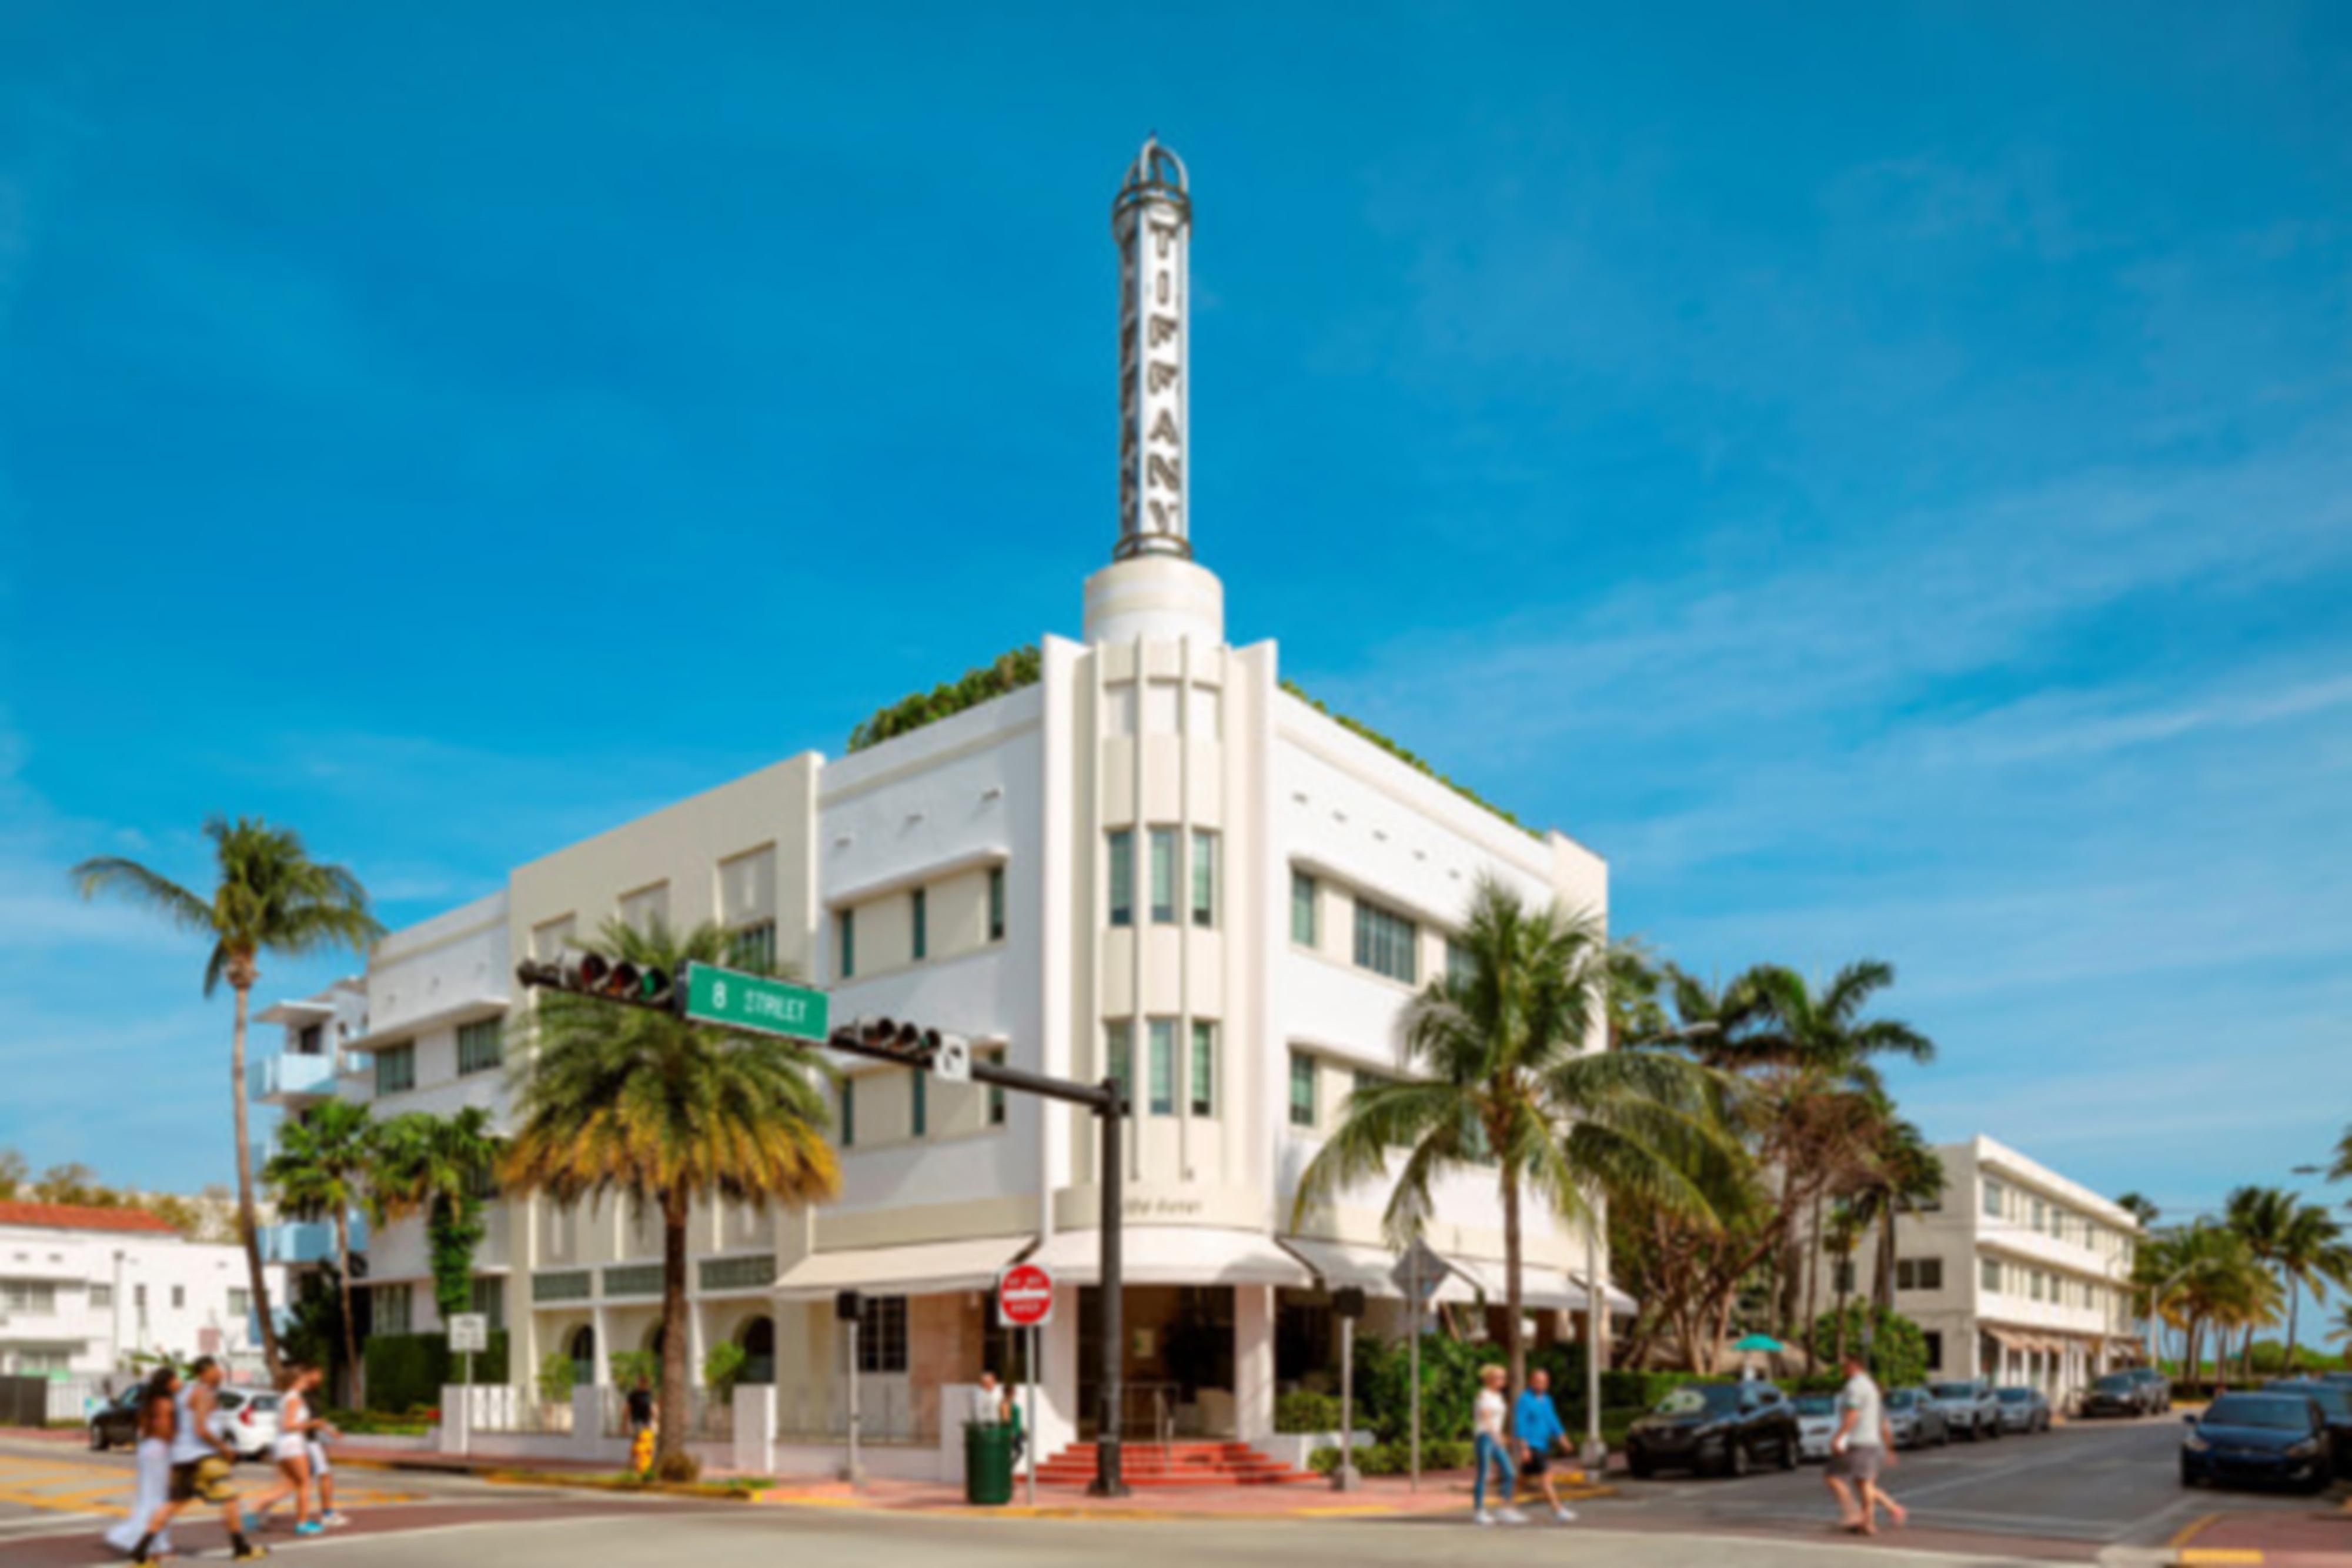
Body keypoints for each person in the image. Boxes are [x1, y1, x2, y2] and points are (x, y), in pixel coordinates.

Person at [133, 1356, 263, 1563]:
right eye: (216, 1370)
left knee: (173, 1504)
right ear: (205, 1373)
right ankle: (241, 1549)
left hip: (182, 1458)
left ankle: (141, 1549)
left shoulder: (185, 1393)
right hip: (202, 1457)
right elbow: (200, 1429)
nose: (220, 1373)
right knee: (230, 1498)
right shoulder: (202, 1394)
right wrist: (225, 1449)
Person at [1823, 1352, 1906, 1536]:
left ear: (1854, 1366)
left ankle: (1853, 1514)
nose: (1842, 1369)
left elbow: (1853, 1414)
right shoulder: (1871, 1387)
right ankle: (1870, 1521)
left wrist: (1839, 1436)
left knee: (1833, 1477)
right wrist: (1889, 1446)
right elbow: (1883, 1421)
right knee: (1864, 1483)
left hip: (1857, 1440)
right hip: (1871, 1441)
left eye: (1844, 1365)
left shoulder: (1855, 1387)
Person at [103, 1368, 181, 1559]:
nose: (179, 1381)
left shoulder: (149, 1403)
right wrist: (176, 1442)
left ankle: (149, 1541)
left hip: (147, 1449)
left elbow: (144, 1427)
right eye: (175, 1378)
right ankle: (153, 1544)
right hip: (159, 1450)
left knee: (147, 1498)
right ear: (168, 1383)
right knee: (159, 1499)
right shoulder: (165, 1403)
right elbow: (164, 1428)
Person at [242, 1366, 323, 1536]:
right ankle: (302, 1523)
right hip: (292, 1445)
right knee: (304, 1483)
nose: (307, 1383)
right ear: (296, 1381)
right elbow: (288, 1424)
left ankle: (253, 1510)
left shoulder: (285, 1398)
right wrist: (311, 1424)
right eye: (303, 1380)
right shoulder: (294, 1398)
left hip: (282, 1445)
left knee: (288, 1486)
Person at [1512, 1367, 1578, 1523]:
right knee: (1546, 1477)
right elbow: (1520, 1423)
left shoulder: (1547, 1400)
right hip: (1532, 1444)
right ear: (1530, 1382)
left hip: (1543, 1444)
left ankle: (1509, 1507)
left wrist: (1563, 1439)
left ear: (1547, 1383)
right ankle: (1557, 1509)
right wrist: (1524, 1447)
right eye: (1537, 1381)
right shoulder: (1525, 1399)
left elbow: (1553, 1421)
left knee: (1522, 1479)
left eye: (1543, 1382)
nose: (1540, 1384)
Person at [1471, 1364, 1526, 1526]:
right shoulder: (1484, 1395)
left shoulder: (1498, 1396)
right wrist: (1497, 1436)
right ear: (1488, 1379)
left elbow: (1497, 1420)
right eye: (1498, 1377)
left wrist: (1500, 1436)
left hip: (1495, 1438)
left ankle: (1504, 1509)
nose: (1502, 1380)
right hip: (1485, 1437)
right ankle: (1479, 1511)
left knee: (1510, 1473)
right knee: (1484, 1474)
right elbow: (1486, 1418)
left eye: (1503, 1377)